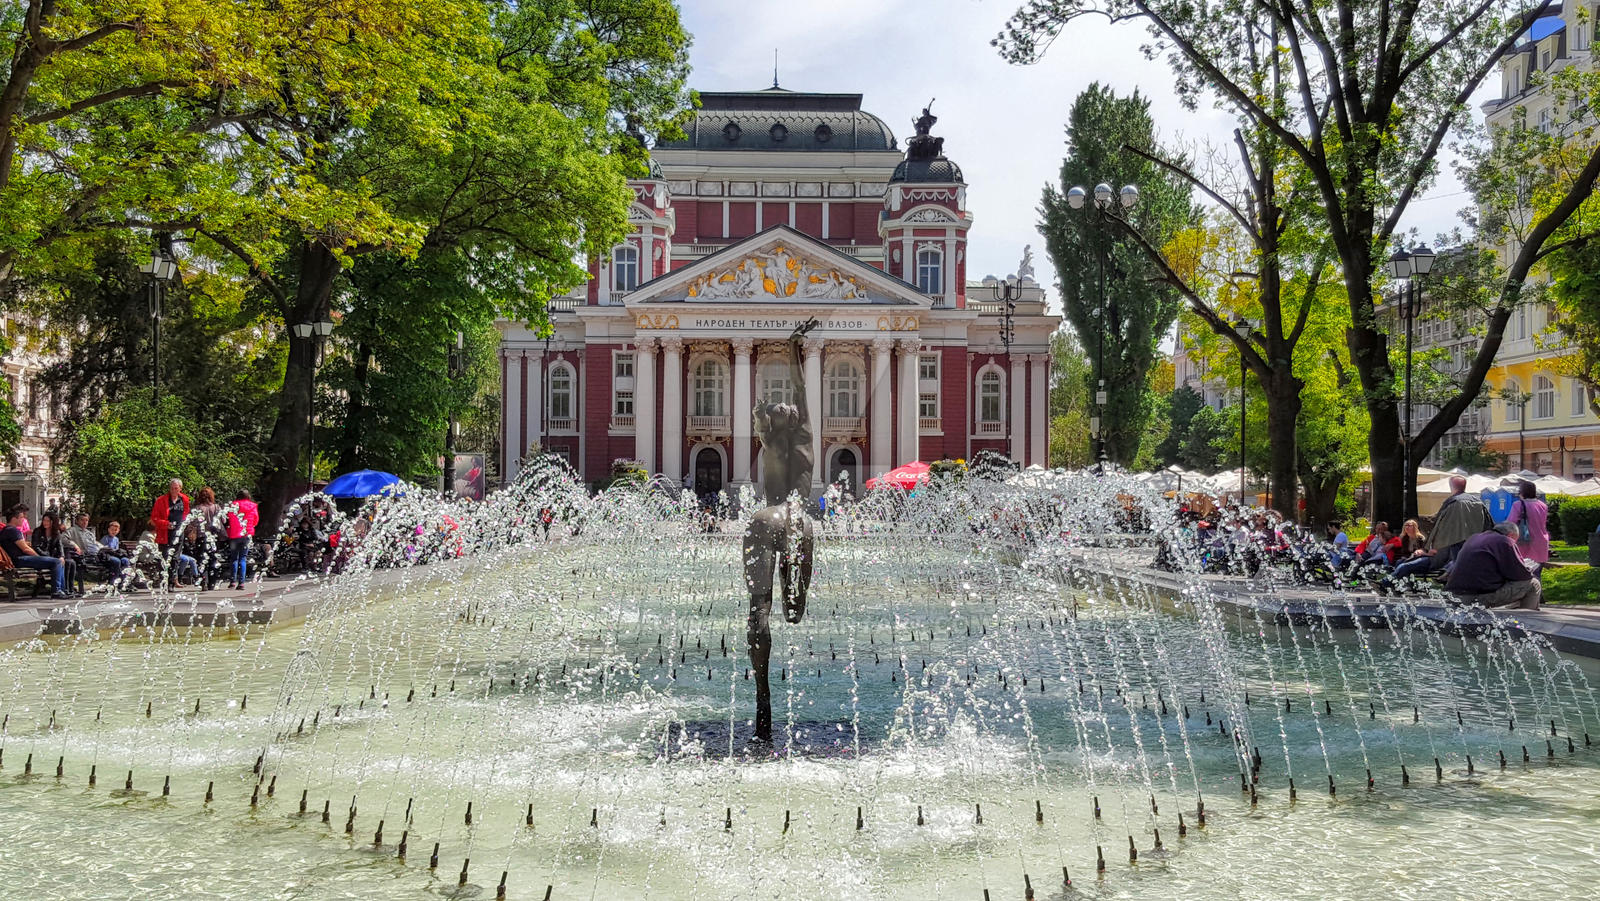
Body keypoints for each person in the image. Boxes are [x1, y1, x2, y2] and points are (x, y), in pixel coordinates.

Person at [1392, 476, 1492, 580]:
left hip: (1446, 556)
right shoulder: (1478, 503)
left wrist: (1427, 548)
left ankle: (1389, 582)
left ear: (1451, 486)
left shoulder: (1451, 504)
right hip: (1471, 552)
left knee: (1405, 566)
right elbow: (1489, 525)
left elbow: (1437, 524)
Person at [1445, 522, 1541, 610]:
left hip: (1454, 595)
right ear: (1511, 535)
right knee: (1533, 584)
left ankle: (1514, 612)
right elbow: (1521, 575)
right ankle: (1526, 622)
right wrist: (1528, 569)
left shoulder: (1474, 538)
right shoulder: (1505, 541)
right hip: (1476, 597)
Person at [0, 505, 68, 599]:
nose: (24, 520)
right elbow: (25, 549)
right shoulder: (13, 531)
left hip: (16, 559)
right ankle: (57, 591)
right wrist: (39, 557)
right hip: (19, 560)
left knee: (58, 562)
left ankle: (62, 590)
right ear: (14, 519)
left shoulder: (5, 530)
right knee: (56, 562)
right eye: (21, 517)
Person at [150, 479, 191, 588]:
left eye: (176, 488)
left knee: (175, 557)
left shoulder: (184, 499)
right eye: (172, 488)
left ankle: (173, 581)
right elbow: (154, 518)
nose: (173, 490)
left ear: (180, 489)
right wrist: (166, 524)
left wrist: (184, 525)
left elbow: (186, 514)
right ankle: (165, 580)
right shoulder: (161, 500)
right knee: (165, 557)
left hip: (178, 533)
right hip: (165, 533)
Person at [1506, 480, 1551, 576]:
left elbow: (1511, 524)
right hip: (1541, 543)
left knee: (1523, 576)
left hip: (1525, 543)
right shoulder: (1543, 506)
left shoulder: (1518, 505)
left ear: (1522, 492)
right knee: (1537, 575)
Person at [31, 511, 81, 596]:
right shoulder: (38, 531)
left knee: (69, 562)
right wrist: (48, 556)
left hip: (52, 558)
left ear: (53, 522)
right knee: (57, 563)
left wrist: (61, 556)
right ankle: (58, 590)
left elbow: (60, 546)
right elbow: (36, 547)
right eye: (44, 520)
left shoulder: (56, 533)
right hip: (41, 557)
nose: (45, 523)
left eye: (48, 521)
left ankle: (68, 589)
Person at [224, 489, 258, 590]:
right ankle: (242, 583)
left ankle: (232, 582)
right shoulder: (253, 506)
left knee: (234, 558)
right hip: (246, 535)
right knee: (243, 558)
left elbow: (228, 518)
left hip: (234, 535)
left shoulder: (233, 505)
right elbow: (256, 520)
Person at [193, 487, 224, 590]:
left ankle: (203, 581)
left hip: (201, 537)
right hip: (213, 537)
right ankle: (212, 583)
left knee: (201, 560)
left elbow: (194, 522)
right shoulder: (216, 507)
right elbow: (223, 520)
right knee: (213, 560)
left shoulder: (197, 508)